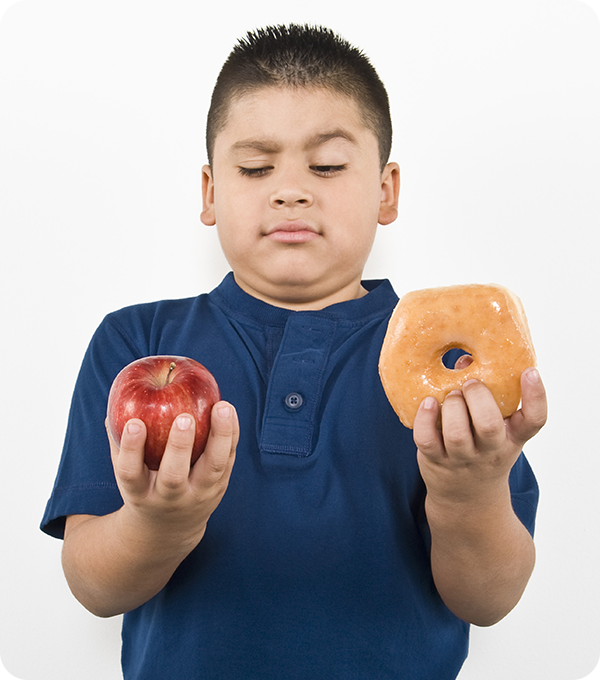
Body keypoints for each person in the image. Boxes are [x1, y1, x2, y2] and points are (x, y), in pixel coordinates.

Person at [41, 24, 547, 680]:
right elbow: (94, 587)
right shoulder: (136, 344)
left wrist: (468, 491)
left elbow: (489, 600)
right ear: (210, 192)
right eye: (255, 167)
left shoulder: (450, 374)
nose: (290, 189)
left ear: (387, 190)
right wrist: (157, 524)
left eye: (328, 165)